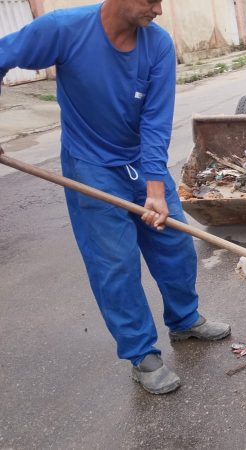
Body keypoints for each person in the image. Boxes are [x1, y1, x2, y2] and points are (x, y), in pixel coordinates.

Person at [0, 0, 230, 394]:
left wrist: (156, 189)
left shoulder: (157, 45)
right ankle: (142, 355)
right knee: (115, 264)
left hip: (141, 162)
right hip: (90, 165)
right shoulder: (62, 28)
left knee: (174, 243)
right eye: (150, 0)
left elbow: (156, 122)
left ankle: (184, 319)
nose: (158, 9)